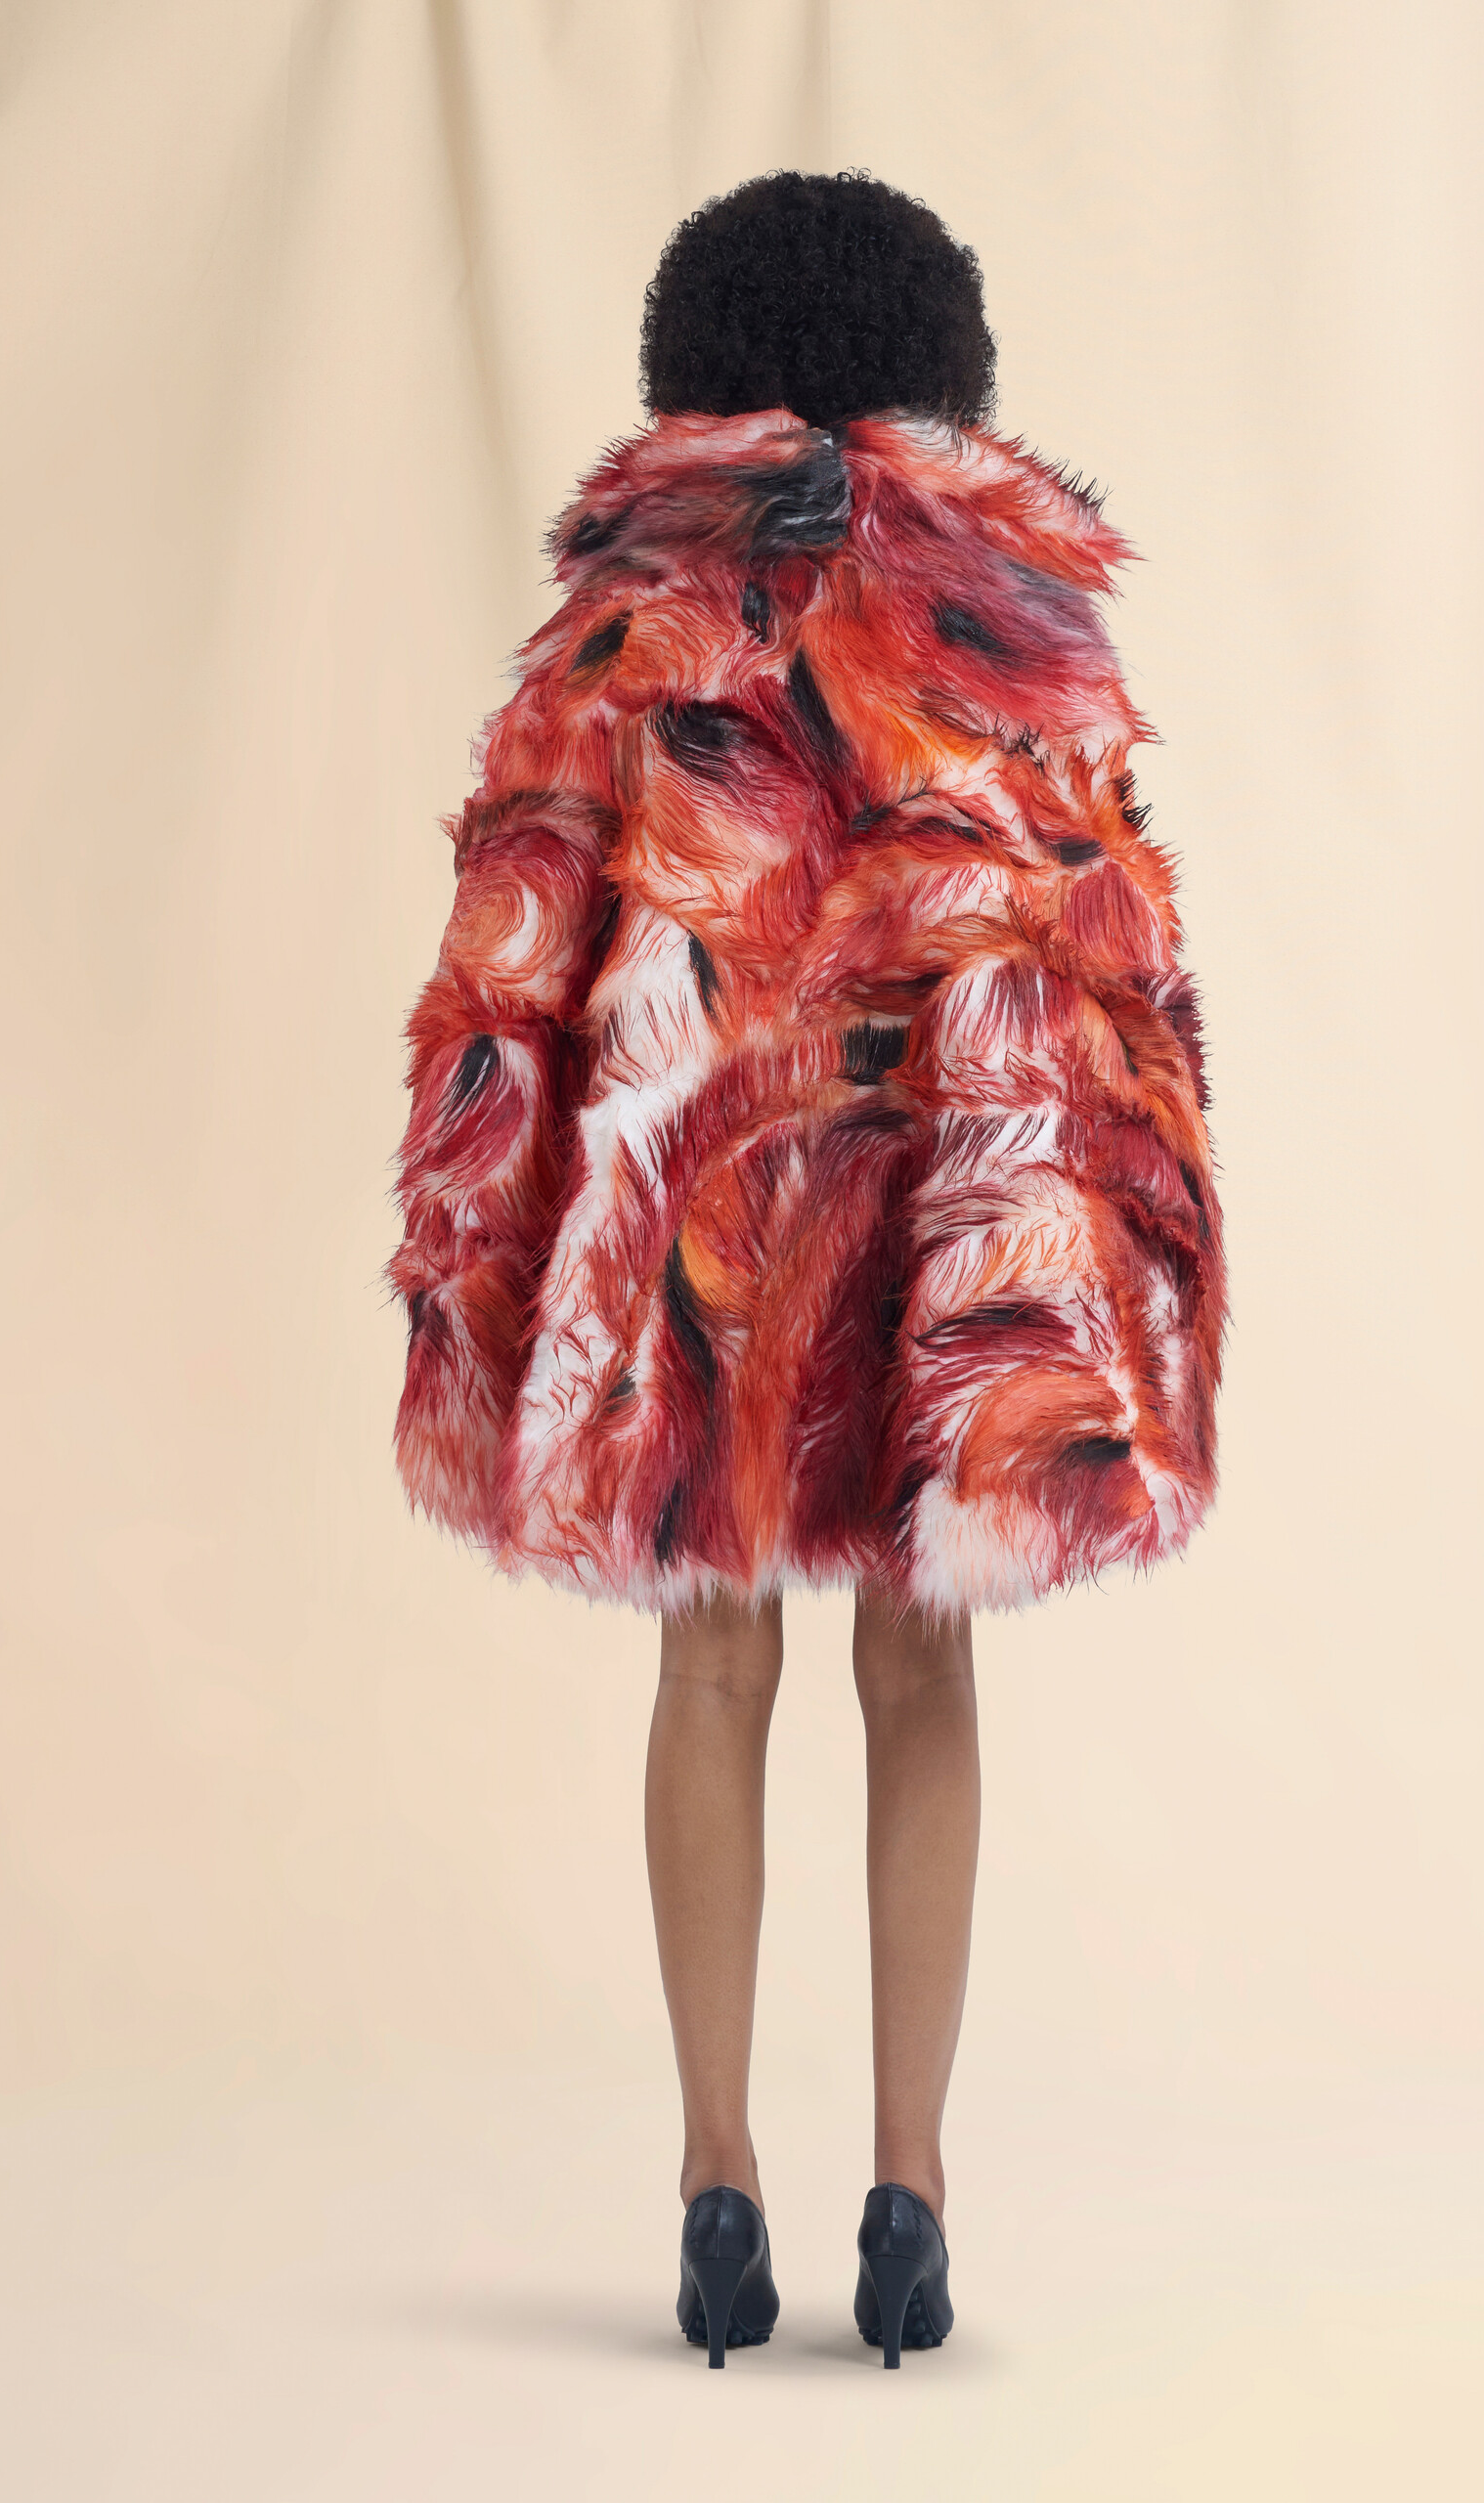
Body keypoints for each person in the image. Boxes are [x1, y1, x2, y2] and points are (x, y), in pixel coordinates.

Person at [386, 170, 1226, 2369]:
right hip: (944, 1222)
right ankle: (911, 2185)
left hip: (705, 1219)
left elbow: (509, 961)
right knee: (924, 1661)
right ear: (948, 367)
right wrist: (1122, 1274)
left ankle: (715, 2173)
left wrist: (490, 1265)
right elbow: (1118, 979)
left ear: (695, 367)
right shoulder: (1017, 633)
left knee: (711, 1660)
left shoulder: (632, 626)